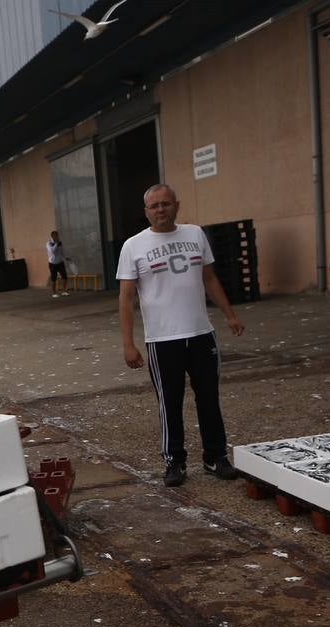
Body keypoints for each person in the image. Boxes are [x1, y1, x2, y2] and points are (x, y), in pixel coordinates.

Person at [118, 184, 245, 487]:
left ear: (177, 205)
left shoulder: (195, 234)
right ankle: (175, 461)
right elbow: (126, 298)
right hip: (163, 341)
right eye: (154, 206)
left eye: (165, 204)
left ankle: (215, 456)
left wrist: (229, 315)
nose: (160, 210)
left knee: (209, 399)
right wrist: (128, 344)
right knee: (170, 403)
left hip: (201, 334)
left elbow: (209, 278)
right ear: (146, 211)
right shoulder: (133, 246)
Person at [46, 230, 69, 297]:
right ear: (52, 236)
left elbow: (61, 251)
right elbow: (52, 251)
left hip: (60, 262)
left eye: (57, 235)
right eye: (56, 236)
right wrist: (56, 244)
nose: (57, 237)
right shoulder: (48, 243)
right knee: (54, 278)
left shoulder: (60, 243)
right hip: (52, 263)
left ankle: (64, 291)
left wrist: (65, 257)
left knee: (65, 277)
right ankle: (54, 293)